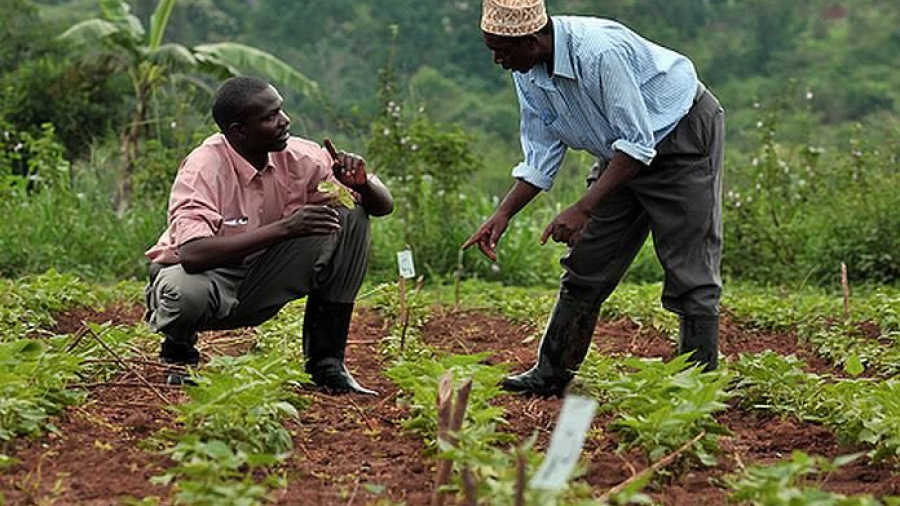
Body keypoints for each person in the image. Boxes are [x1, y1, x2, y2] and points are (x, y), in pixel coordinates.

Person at [463, 0, 725, 396]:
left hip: (679, 137)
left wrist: (583, 207)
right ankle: (550, 373)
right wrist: (503, 214)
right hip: (620, 152)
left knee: (689, 266)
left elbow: (638, 144)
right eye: (491, 50)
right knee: (587, 261)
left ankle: (699, 389)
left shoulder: (599, 53)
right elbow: (541, 150)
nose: (497, 60)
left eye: (502, 50)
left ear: (532, 40)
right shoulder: (528, 70)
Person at [144, 76, 393, 395]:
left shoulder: (300, 156)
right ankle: (178, 351)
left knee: (352, 216)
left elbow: (382, 205)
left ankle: (327, 364)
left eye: (281, 110)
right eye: (269, 117)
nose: (284, 120)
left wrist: (362, 185)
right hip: (209, 278)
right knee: (183, 294)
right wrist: (286, 227)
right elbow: (193, 255)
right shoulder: (203, 167)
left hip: (262, 274)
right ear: (238, 131)